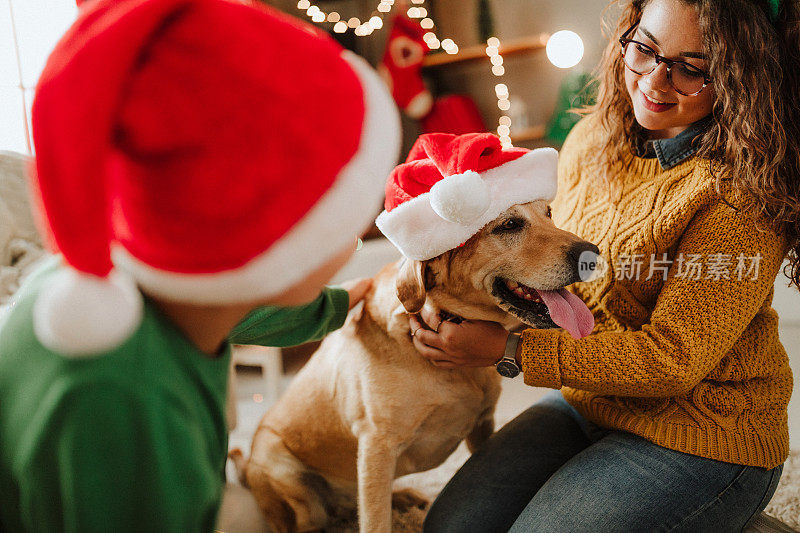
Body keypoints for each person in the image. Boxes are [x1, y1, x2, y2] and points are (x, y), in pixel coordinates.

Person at [0, 0, 400, 531]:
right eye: (352, 209)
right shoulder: (123, 402)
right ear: (279, 239)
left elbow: (258, 315)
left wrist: (355, 294)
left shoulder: (145, 287)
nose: (364, 224)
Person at [414, 0, 800, 531]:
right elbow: (552, 270)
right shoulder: (589, 139)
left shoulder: (738, 196)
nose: (655, 81)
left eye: (692, 68)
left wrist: (509, 349)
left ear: (741, 77)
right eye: (645, 49)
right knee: (449, 527)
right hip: (590, 402)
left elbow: (672, 360)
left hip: (705, 434)